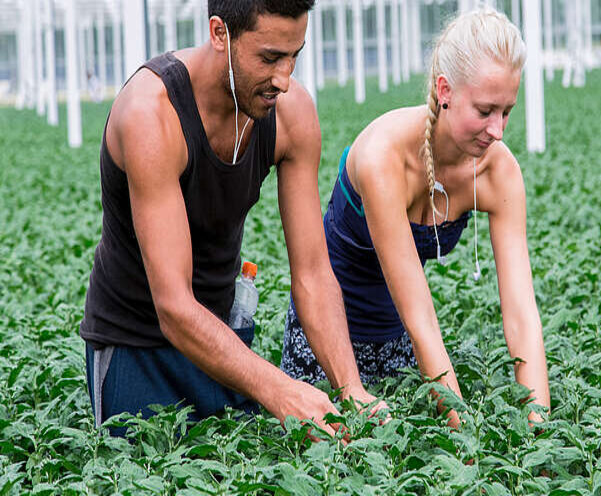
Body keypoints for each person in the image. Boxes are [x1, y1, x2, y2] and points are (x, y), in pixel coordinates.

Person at [79, 0, 383, 437]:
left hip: (223, 342)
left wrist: (351, 389)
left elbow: (314, 273)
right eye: (269, 58)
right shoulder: (152, 115)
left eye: (295, 55)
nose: (285, 78)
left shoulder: (292, 113)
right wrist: (279, 389)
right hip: (136, 348)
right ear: (220, 33)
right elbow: (174, 307)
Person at [281, 9, 550, 427]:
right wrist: (464, 437)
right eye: (485, 110)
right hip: (329, 346)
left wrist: (538, 421)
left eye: (507, 111)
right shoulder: (383, 158)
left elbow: (520, 311)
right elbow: (421, 314)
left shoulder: (500, 172)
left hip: (401, 343)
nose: (497, 130)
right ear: (444, 90)